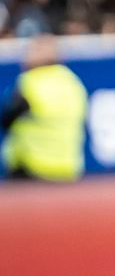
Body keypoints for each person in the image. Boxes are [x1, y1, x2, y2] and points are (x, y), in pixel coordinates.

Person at [1, 36, 88, 182]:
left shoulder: (30, 82)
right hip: (68, 168)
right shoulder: (73, 82)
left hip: (31, 167)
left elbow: (7, 118)